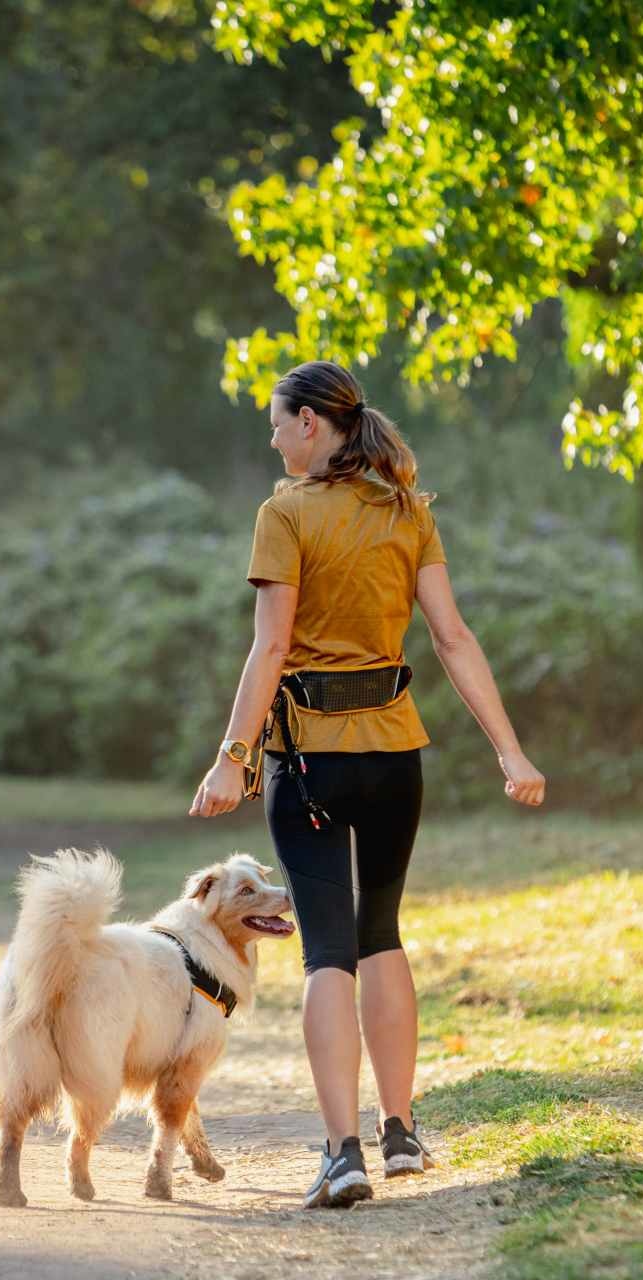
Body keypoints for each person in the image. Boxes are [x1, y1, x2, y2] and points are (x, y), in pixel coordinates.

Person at [188, 360, 545, 1209]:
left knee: (327, 950)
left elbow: (271, 648)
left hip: (308, 760)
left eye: (278, 424)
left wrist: (232, 756)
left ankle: (342, 1152)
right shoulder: (407, 510)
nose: (274, 440)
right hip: (394, 755)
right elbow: (453, 637)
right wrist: (511, 752)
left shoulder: (284, 513)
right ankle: (401, 1131)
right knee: (381, 934)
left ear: (311, 422)